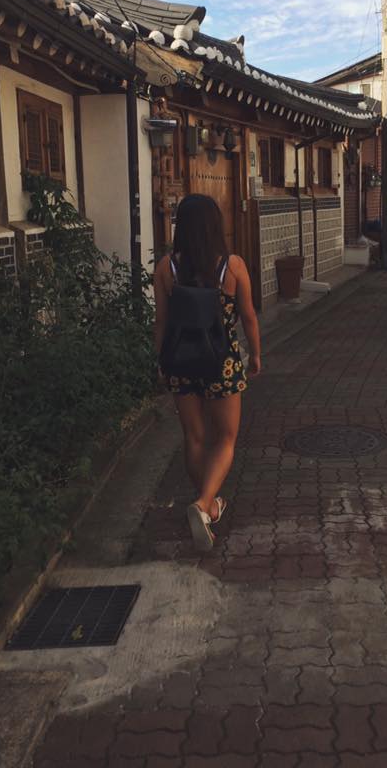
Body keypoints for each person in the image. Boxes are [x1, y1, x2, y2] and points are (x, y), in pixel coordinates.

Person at [154, 194, 261, 551]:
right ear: (215, 225)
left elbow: (161, 322)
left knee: (195, 437)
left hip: (181, 362)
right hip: (222, 362)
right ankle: (204, 504)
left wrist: (161, 362)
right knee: (226, 438)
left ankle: (209, 504)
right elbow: (249, 316)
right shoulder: (232, 266)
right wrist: (256, 355)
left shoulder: (166, 268)